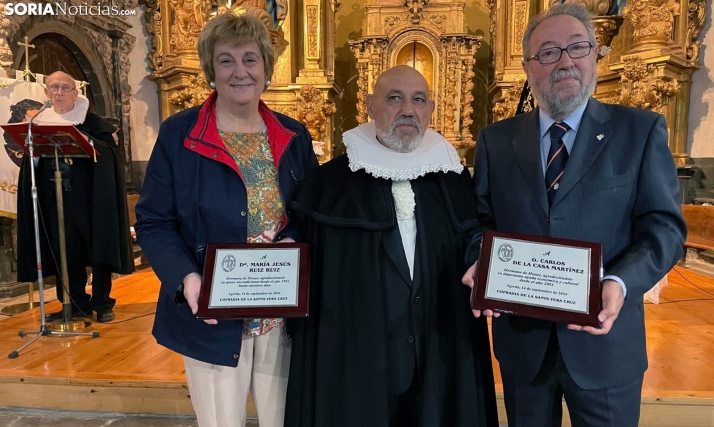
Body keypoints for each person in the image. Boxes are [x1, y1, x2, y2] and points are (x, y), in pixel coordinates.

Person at [462, 4, 687, 427]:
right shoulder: (496, 140)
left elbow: (665, 228)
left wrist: (620, 282)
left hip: (606, 346)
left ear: (595, 55)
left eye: (576, 47)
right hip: (524, 346)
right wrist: (480, 262)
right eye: (548, 52)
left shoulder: (640, 130)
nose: (564, 61)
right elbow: (480, 219)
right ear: (529, 67)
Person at [285, 65, 499, 427]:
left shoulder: (454, 177)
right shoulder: (329, 183)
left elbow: (477, 232)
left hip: (440, 348)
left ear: (431, 109)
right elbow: (303, 257)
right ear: (369, 106)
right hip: (359, 355)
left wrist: (481, 259)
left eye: (418, 100)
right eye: (394, 98)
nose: (407, 110)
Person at [134, 13, 318, 427]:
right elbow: (153, 221)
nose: (240, 72)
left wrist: (292, 242)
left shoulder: (294, 135)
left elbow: (309, 213)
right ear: (210, 70)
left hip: (281, 314)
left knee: (285, 419)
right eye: (226, 61)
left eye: (250, 59)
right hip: (212, 314)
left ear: (267, 69)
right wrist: (187, 278)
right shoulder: (178, 135)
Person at [16, 71, 134, 323]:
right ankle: (74, 302)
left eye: (65, 88)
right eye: (53, 88)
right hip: (54, 199)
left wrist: (88, 142)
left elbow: (111, 157)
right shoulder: (38, 123)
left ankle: (102, 303)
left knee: (98, 250)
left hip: (91, 200)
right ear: (46, 93)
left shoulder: (94, 123)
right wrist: (34, 154)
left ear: (75, 92)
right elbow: (31, 163)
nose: (59, 92)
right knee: (63, 251)